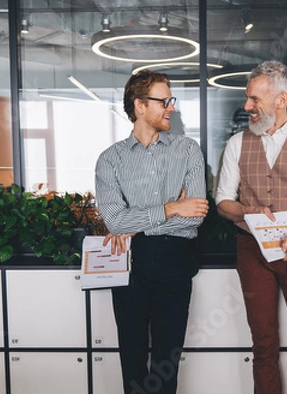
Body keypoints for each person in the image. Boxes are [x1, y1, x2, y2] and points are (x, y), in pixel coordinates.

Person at [215, 60, 287, 394]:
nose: (247, 106)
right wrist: (250, 211)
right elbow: (223, 201)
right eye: (248, 99)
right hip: (252, 253)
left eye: (255, 99)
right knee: (263, 345)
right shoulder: (238, 144)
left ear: (281, 100)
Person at [95, 69, 208, 394]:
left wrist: (135, 223)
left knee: (165, 366)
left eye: (171, 100)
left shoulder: (187, 150)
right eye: (164, 101)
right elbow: (115, 222)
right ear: (140, 105)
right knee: (131, 362)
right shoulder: (110, 160)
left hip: (175, 261)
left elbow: (195, 216)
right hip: (129, 263)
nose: (171, 107)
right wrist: (172, 208)